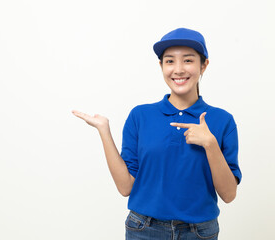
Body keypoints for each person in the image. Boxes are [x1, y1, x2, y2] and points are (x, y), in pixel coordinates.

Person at [72, 28, 242, 240]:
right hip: (144, 230)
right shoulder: (140, 116)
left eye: (188, 60)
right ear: (161, 66)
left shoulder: (222, 120)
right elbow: (125, 187)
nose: (178, 69)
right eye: (170, 61)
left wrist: (211, 145)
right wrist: (104, 131)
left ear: (203, 65)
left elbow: (228, 195)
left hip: (200, 233)